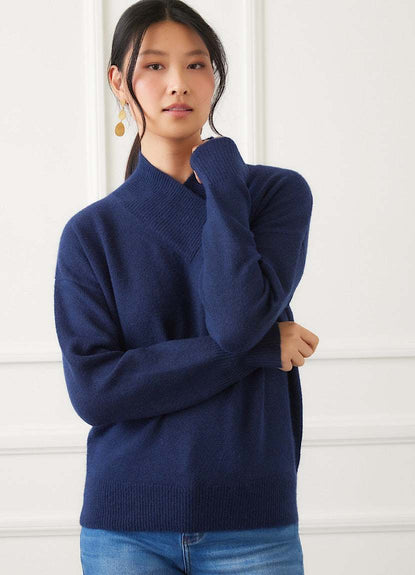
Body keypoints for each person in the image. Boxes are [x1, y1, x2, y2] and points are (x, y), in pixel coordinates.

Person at [53, 0, 319, 573]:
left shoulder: (275, 196)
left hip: (252, 524)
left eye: (196, 65)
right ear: (119, 83)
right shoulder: (92, 234)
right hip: (125, 529)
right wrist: (260, 351)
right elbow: (96, 392)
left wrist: (222, 177)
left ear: (215, 78)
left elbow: (235, 319)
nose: (178, 83)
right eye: (154, 66)